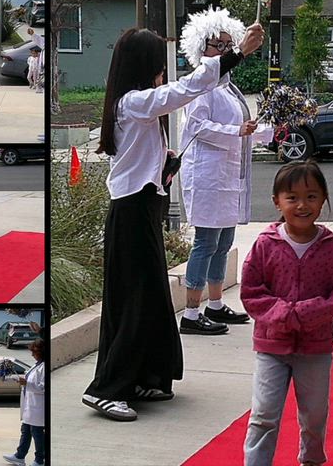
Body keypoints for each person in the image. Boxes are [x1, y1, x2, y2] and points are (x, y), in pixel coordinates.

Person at [82, 22, 265, 421]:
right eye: (157, 63)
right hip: (130, 213)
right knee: (132, 301)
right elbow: (185, 90)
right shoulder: (133, 102)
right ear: (143, 65)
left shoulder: (137, 107)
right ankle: (106, 389)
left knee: (149, 300)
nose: (164, 71)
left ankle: (144, 376)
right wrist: (237, 54)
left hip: (143, 208)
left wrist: (165, 165)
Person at [240, 161, 333, 466]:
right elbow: (251, 291)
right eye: (292, 197)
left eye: (311, 196)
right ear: (277, 202)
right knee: (264, 414)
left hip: (315, 348)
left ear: (323, 200)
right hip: (271, 347)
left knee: (314, 415)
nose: (302, 205)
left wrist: (309, 312)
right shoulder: (265, 245)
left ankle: (312, 459)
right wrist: (282, 313)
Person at [177, 6, 274, 335]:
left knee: (223, 242)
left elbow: (241, 127)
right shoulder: (199, 85)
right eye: (219, 45)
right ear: (202, 48)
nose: (225, 51)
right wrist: (238, 132)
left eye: (228, 45)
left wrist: (269, 131)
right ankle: (191, 312)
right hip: (206, 176)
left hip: (226, 177)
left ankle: (215, 304)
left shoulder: (227, 86)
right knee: (205, 242)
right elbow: (197, 128)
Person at [3, 338, 45, 466]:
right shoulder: (37, 364)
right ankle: (20, 456)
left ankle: (40, 460)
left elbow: (43, 387)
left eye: (34, 352)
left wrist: (27, 383)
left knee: (37, 434)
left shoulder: (44, 366)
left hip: (38, 407)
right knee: (25, 430)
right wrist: (23, 382)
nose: (32, 354)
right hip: (30, 406)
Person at [26, 28, 44, 94]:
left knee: (37, 77)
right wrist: (33, 34)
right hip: (35, 68)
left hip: (37, 68)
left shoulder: (38, 57)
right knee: (37, 77)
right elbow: (40, 40)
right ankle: (38, 87)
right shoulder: (31, 58)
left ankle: (38, 86)